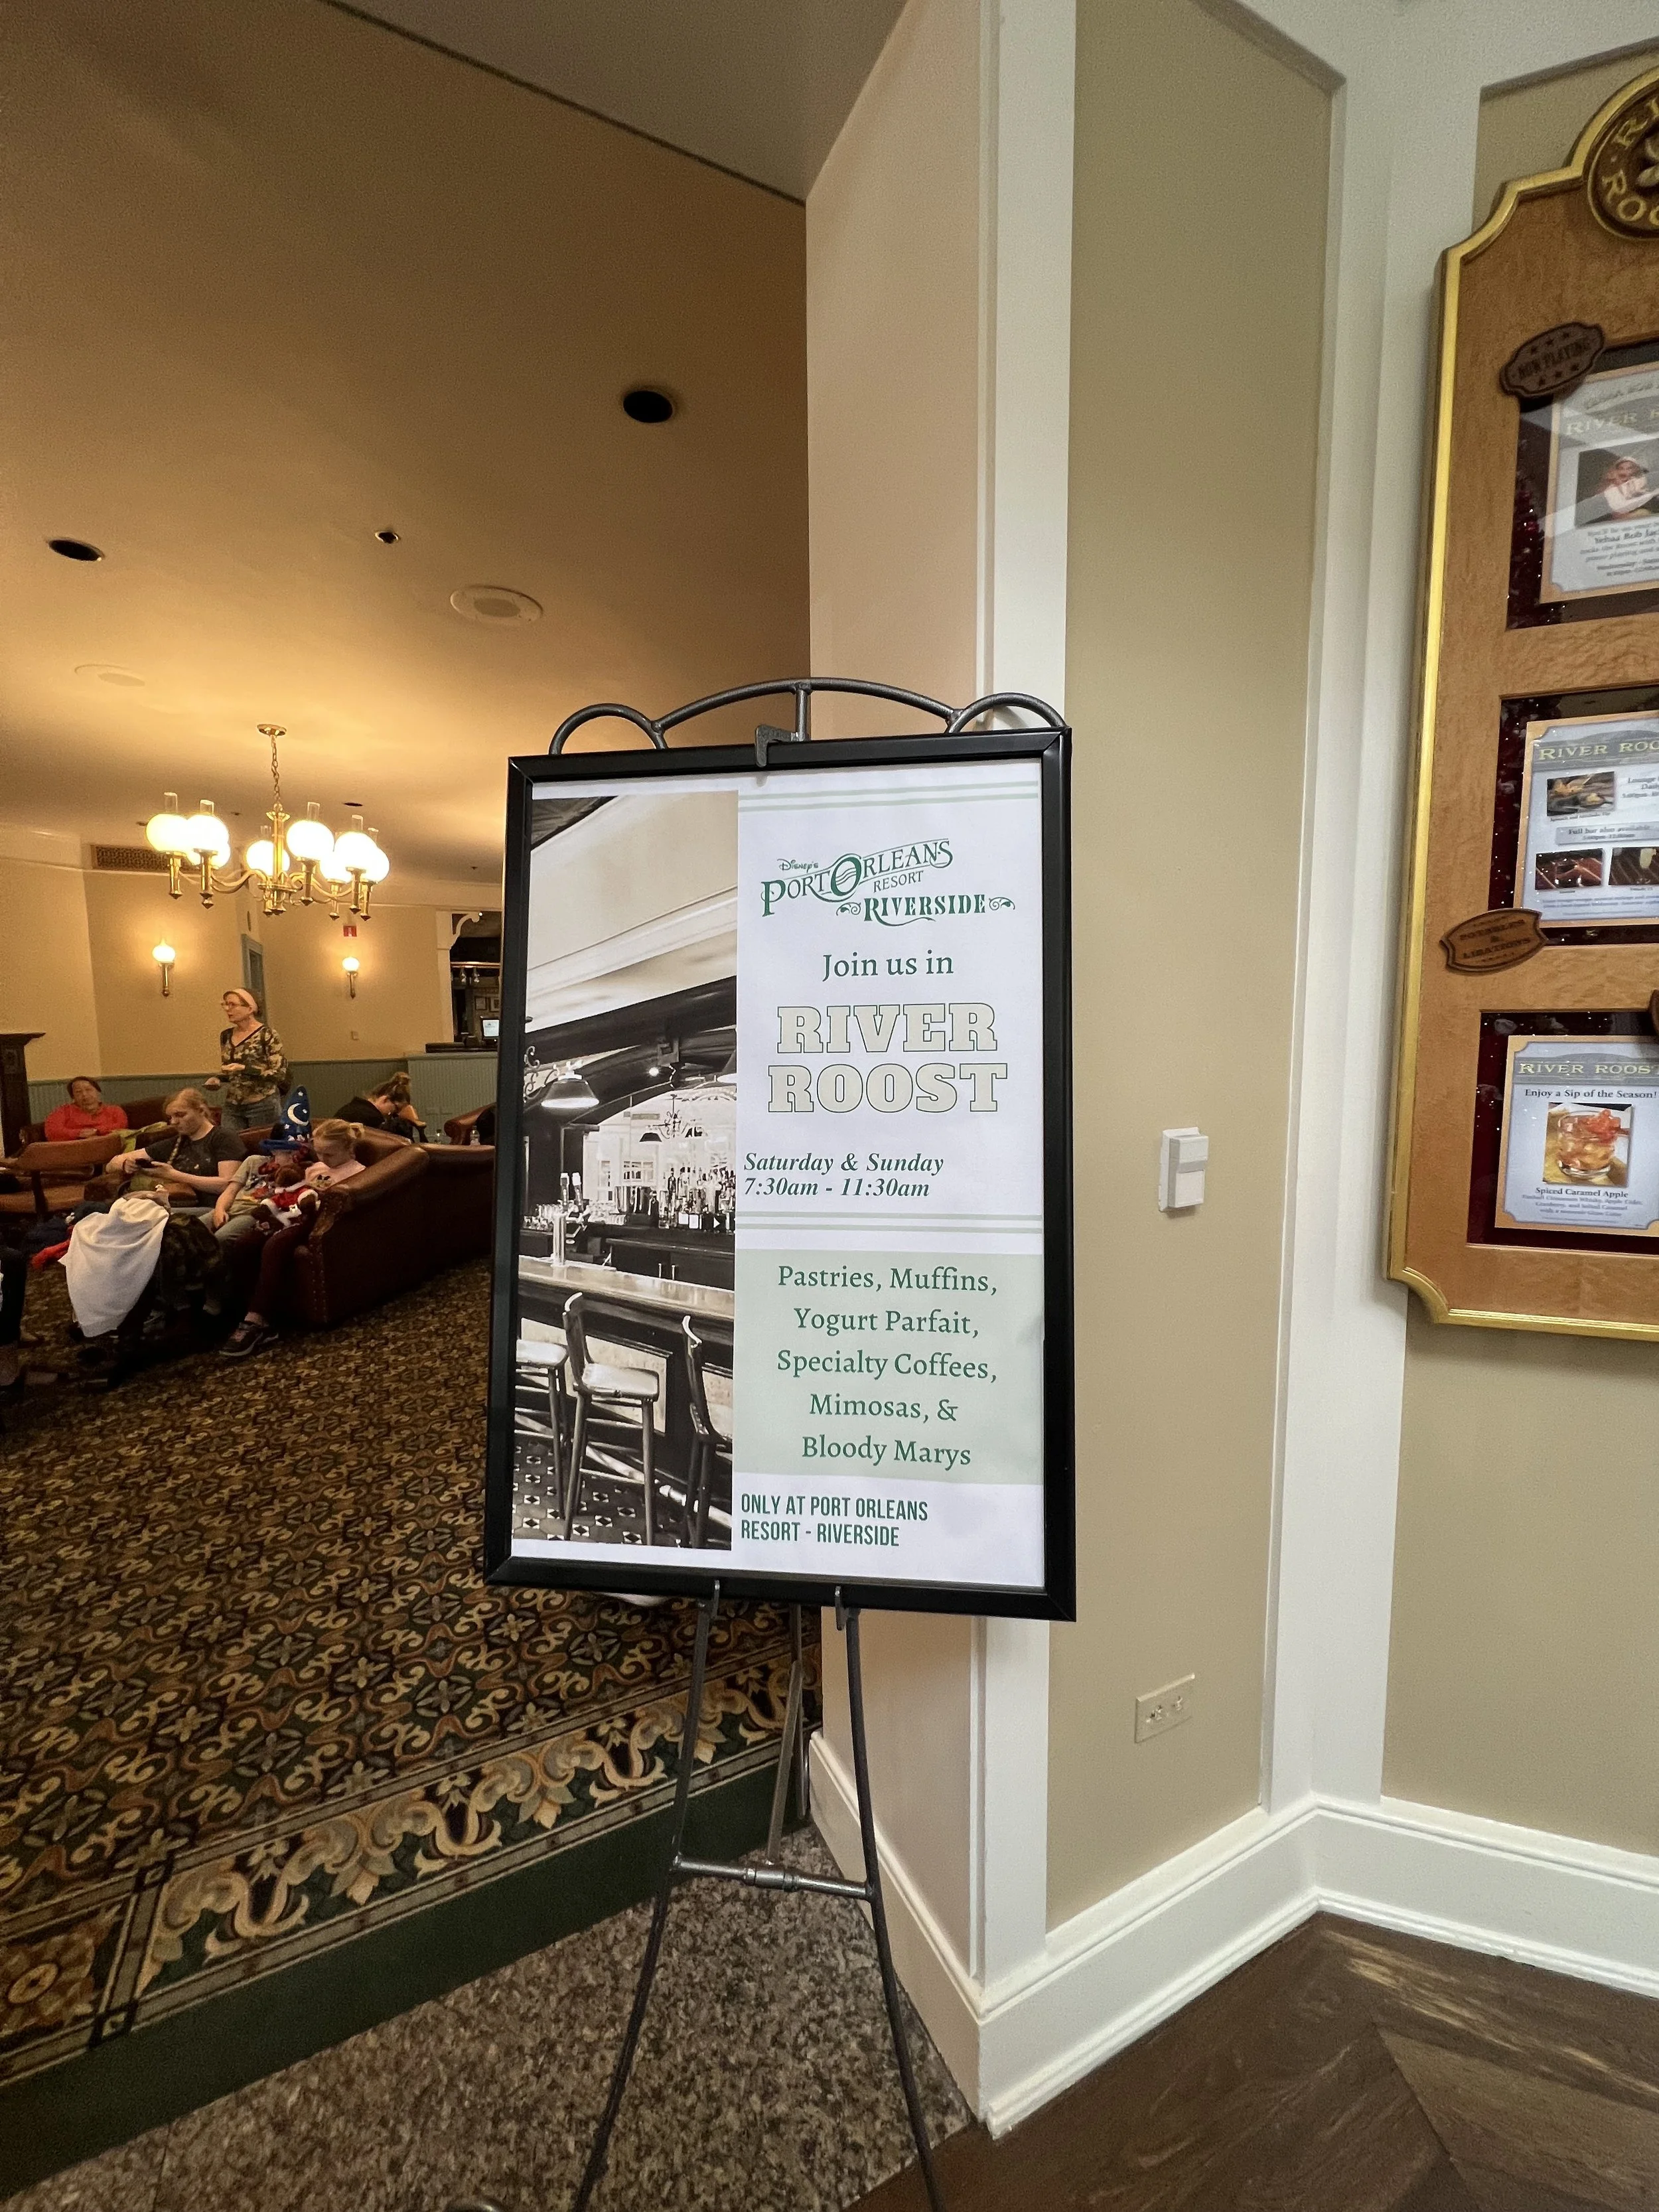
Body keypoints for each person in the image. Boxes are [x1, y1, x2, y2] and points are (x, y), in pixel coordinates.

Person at [219, 1121, 368, 1358]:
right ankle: (246, 1310)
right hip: (290, 1216)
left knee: (275, 1245)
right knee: (244, 1244)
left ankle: (255, 1320)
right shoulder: (314, 1168)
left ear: (349, 1150)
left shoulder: (358, 1172)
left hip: (319, 1223)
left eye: (329, 1153)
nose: (323, 1158)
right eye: (319, 1152)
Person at [110, 1089, 242, 1208]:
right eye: (170, 1117)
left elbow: (226, 1184)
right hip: (176, 1205)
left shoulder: (223, 1138)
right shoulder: (177, 1142)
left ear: (201, 1111)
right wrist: (125, 1164)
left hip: (211, 1207)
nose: (173, 1122)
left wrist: (172, 1175)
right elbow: (111, 1164)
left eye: (180, 1115)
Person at [209, 988, 288, 1132]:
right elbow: (230, 1069)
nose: (228, 1009)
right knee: (233, 1147)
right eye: (225, 1005)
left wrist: (244, 1069)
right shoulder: (226, 1036)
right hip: (233, 1105)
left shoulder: (267, 1034)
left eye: (232, 1005)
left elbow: (279, 1074)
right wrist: (219, 1079)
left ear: (250, 1008)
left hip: (263, 1104)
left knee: (259, 1149)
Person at [334, 1070, 425, 1139]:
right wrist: (410, 1122)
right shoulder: (373, 1118)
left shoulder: (353, 1108)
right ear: (385, 1100)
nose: (394, 1115)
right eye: (396, 1109)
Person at [42, 1078, 128, 1143]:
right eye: (78, 1092)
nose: (84, 1095)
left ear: (98, 1092)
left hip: (108, 1149)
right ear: (73, 1097)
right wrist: (79, 1134)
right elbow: (52, 1132)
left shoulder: (114, 1111)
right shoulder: (62, 1112)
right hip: (75, 1151)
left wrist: (97, 1131)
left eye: (89, 1090)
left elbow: (122, 1125)